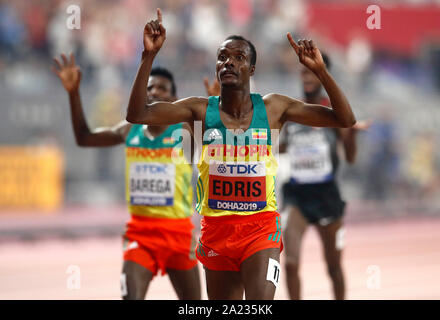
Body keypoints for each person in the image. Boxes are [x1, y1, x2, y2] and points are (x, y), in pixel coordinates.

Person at [126, 9, 356, 300]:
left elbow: (344, 119)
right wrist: (148, 56)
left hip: (261, 228)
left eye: (238, 58)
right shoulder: (199, 109)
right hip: (216, 231)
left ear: (252, 69)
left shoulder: (274, 108)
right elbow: (137, 114)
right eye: (222, 57)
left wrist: (320, 72)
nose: (229, 63)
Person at [52, 53, 201, 300]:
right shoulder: (130, 130)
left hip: (180, 236)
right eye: (149, 87)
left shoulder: (185, 132)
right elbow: (84, 138)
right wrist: (73, 93)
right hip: (140, 235)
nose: (153, 92)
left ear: (174, 99)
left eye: (161, 88)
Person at [279, 54, 370, 300]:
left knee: (333, 267)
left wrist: (351, 137)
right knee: (290, 262)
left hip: (327, 195)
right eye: (303, 73)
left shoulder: (335, 112)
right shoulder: (290, 112)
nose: (307, 78)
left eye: (312, 73)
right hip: (297, 196)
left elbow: (350, 159)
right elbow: (279, 149)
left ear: (323, 76)